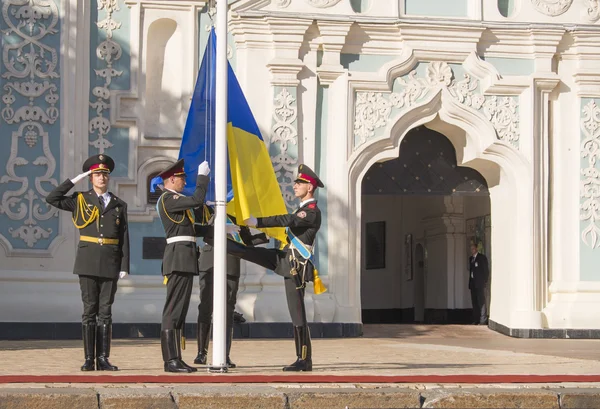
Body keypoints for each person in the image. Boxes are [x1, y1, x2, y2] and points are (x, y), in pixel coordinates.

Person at [46, 154, 129, 371]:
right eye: (97, 174)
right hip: (88, 261)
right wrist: (74, 180)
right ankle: (89, 358)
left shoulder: (119, 204)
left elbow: (124, 237)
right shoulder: (81, 199)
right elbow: (52, 198)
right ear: (91, 177)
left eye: (104, 174)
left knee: (106, 311)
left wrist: (124, 265)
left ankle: (103, 358)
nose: (101, 177)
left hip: (110, 261)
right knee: (89, 310)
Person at [240, 164, 324, 372]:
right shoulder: (302, 210)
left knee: (297, 313)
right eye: (296, 182)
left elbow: (286, 220)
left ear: (310, 187)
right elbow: (285, 234)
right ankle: (225, 244)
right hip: (286, 260)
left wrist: (257, 221)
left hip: (296, 266)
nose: (295, 185)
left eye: (300, 183)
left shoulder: (311, 212)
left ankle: (304, 359)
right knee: (244, 251)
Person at [194, 215, 269, 368]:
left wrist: (265, 236)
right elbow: (197, 228)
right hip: (209, 261)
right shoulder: (207, 208)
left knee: (228, 310)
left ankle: (224, 354)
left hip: (231, 264)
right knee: (206, 307)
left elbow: (246, 242)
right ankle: (202, 352)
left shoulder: (238, 214)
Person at [157, 158, 210, 373]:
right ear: (172, 179)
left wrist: (220, 231)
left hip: (185, 258)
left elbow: (190, 230)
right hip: (178, 259)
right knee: (173, 310)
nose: (184, 182)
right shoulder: (168, 199)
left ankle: (176, 358)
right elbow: (197, 199)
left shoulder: (176, 200)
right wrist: (202, 178)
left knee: (179, 310)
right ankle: (170, 360)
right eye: (182, 178)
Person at [468, 242, 489, 325]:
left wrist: (485, 281)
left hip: (480, 283)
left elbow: (486, 271)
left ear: (476, 249)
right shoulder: (471, 259)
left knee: (481, 301)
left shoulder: (482, 258)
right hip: (473, 283)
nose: (472, 250)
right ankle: (476, 319)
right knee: (474, 302)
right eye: (471, 249)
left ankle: (483, 319)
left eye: (473, 248)